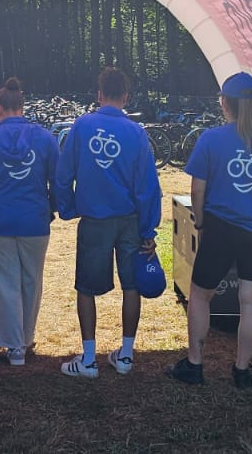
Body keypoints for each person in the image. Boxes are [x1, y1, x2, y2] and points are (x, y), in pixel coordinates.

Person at [166, 72, 252, 389]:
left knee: (200, 295)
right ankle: (242, 371)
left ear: (224, 104)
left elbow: (197, 190)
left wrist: (201, 223)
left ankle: (194, 364)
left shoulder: (210, 139)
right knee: (251, 301)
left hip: (221, 228)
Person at [54, 67, 162, 379]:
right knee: (132, 285)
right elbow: (148, 186)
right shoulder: (136, 132)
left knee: (86, 288)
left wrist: (68, 208)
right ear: (126, 97)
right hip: (129, 221)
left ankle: (88, 359)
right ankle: (126, 355)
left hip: (94, 219)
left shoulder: (82, 125)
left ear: (99, 94)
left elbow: (64, 174)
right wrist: (148, 229)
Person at [0, 77, 60, 366]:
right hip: (34, 220)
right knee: (32, 281)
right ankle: (26, 337)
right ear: (22, 107)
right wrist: (54, 208)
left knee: (4, 283)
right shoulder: (44, 138)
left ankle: (13, 345)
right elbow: (57, 180)